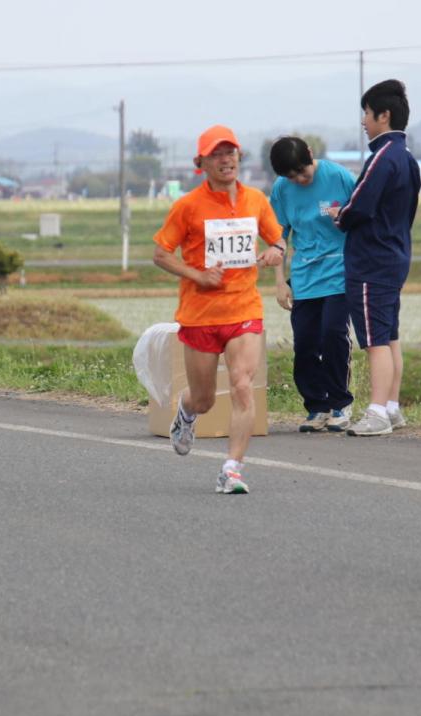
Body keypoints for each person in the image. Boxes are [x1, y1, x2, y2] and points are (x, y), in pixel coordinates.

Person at [153, 124, 285, 494]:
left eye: (231, 152)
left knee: (242, 384)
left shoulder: (255, 200)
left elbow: (278, 240)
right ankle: (186, 412)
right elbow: (161, 254)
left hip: (244, 308)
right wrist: (197, 275)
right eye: (217, 154)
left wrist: (276, 252)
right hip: (200, 315)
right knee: (205, 399)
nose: (226, 160)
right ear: (201, 163)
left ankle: (232, 470)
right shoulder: (187, 206)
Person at [334, 80, 420, 437]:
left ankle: (377, 412)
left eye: (367, 114)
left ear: (383, 116)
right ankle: (392, 407)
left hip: (371, 261)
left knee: (374, 341)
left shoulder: (381, 157)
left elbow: (358, 206)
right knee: (388, 335)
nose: (363, 122)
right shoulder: (407, 158)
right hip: (395, 255)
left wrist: (339, 216)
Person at [268, 136, 357, 432]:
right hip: (304, 276)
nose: (299, 179)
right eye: (291, 176)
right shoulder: (281, 189)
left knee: (333, 335)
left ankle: (340, 402)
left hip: (339, 271)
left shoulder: (340, 177)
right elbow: (278, 237)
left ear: (310, 154)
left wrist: (345, 219)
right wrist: (280, 283)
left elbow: (363, 217)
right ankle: (317, 406)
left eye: (302, 172)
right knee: (305, 343)